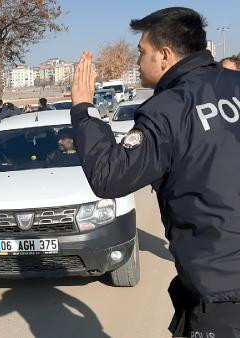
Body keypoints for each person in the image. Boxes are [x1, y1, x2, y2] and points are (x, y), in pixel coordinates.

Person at [69, 7, 240, 336]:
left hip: (221, 294)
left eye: (141, 52)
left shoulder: (168, 111)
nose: (138, 62)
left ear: (164, 55)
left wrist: (83, 110)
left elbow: (110, 175)